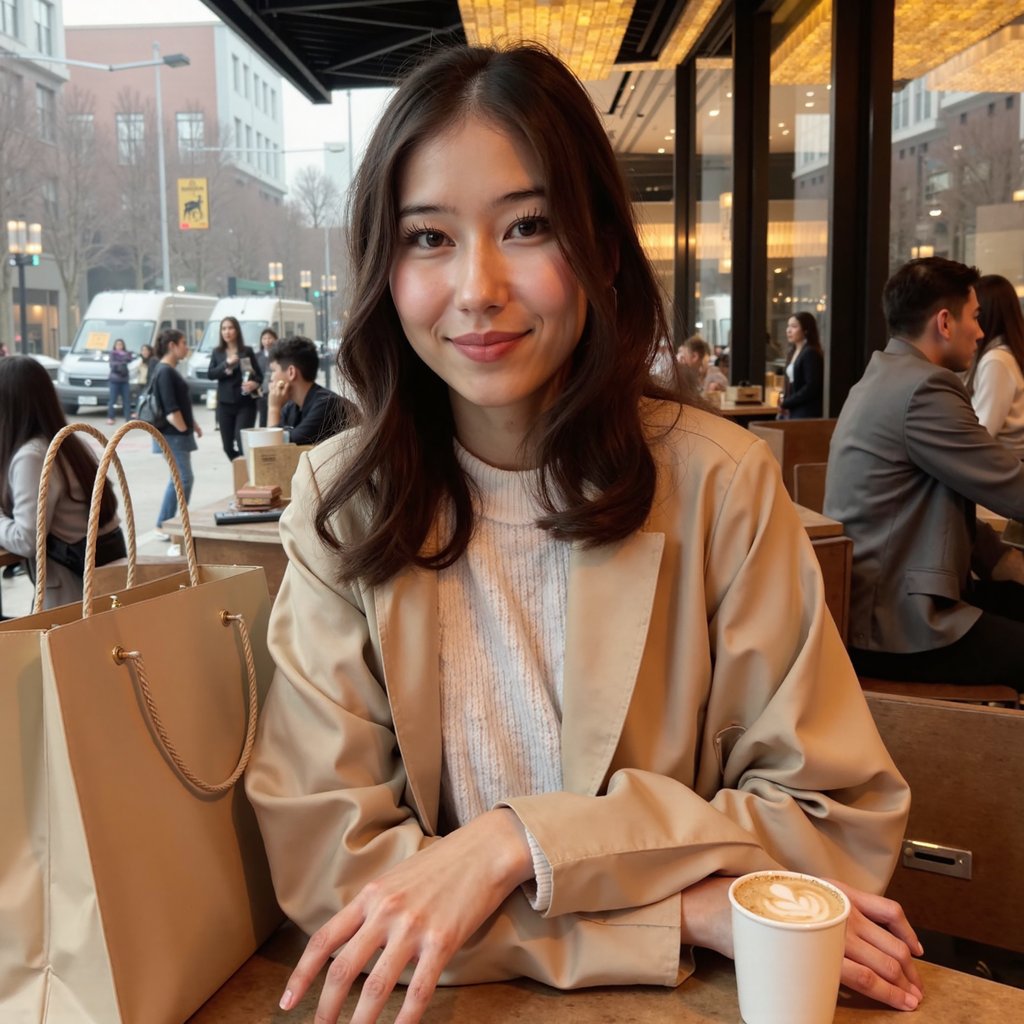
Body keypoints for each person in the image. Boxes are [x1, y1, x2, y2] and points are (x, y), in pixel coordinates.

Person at [246, 44, 919, 1024]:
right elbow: (338, 878)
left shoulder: (718, 484)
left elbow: (832, 824)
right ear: (383, 270)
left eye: (528, 226)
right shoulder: (341, 502)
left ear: (602, 247)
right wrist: (678, 912)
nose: (477, 287)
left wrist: (512, 843)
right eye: (428, 237)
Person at [824, 256, 1024, 690]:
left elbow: (942, 500)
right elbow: (1013, 489)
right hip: (897, 624)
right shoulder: (926, 388)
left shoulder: (883, 376)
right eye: (975, 316)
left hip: (882, 602)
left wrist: (1002, 561)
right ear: (945, 322)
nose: (981, 331)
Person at [0, 356, 125, 609]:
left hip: (71, 595)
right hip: (102, 583)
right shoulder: (69, 443)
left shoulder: (32, 456)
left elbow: (26, 539)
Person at [152, 328, 203, 536]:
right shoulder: (165, 371)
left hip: (174, 434)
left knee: (179, 478)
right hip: (172, 435)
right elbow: (171, 410)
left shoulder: (167, 370)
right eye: (183, 343)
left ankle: (170, 523)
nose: (186, 347)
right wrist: (184, 429)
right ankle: (165, 524)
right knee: (183, 478)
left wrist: (193, 424)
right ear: (172, 346)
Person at [967, 273, 1024, 459]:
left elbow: (983, 430)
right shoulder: (1009, 352)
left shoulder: (996, 360)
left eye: (973, 314)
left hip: (1004, 462)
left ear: (984, 314)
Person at [265, 335, 350, 445]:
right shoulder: (291, 407)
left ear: (291, 372)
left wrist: (273, 408)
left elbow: (276, 447)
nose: (272, 378)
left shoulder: (327, 404)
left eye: (273, 370)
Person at [207, 315, 262, 461]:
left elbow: (259, 376)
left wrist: (254, 384)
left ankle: (247, 470)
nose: (227, 332)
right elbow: (211, 374)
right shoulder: (217, 352)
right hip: (224, 405)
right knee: (227, 447)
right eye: (224, 329)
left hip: (245, 404)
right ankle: (242, 468)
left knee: (241, 440)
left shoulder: (247, 351)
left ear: (237, 330)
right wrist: (226, 363)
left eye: (230, 328)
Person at [778, 312, 824, 418]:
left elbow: (811, 386)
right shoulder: (792, 352)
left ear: (806, 330)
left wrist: (787, 402)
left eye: (794, 326)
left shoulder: (810, 352)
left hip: (805, 411)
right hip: (792, 409)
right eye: (788, 326)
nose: (788, 330)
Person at [255, 327, 278, 428]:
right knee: (263, 419)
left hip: (275, 391)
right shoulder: (256, 356)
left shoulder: (279, 355)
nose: (267, 341)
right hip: (262, 393)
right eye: (264, 338)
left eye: (270, 338)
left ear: (275, 339)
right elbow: (253, 374)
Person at [106, 338, 132, 424]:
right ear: (115, 345)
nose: (119, 346)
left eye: (121, 344)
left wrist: (122, 361)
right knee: (112, 400)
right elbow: (112, 364)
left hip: (124, 380)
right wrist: (121, 364)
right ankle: (111, 417)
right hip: (114, 380)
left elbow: (130, 359)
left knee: (126, 400)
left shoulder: (126, 354)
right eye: (117, 344)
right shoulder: (112, 353)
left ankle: (128, 418)